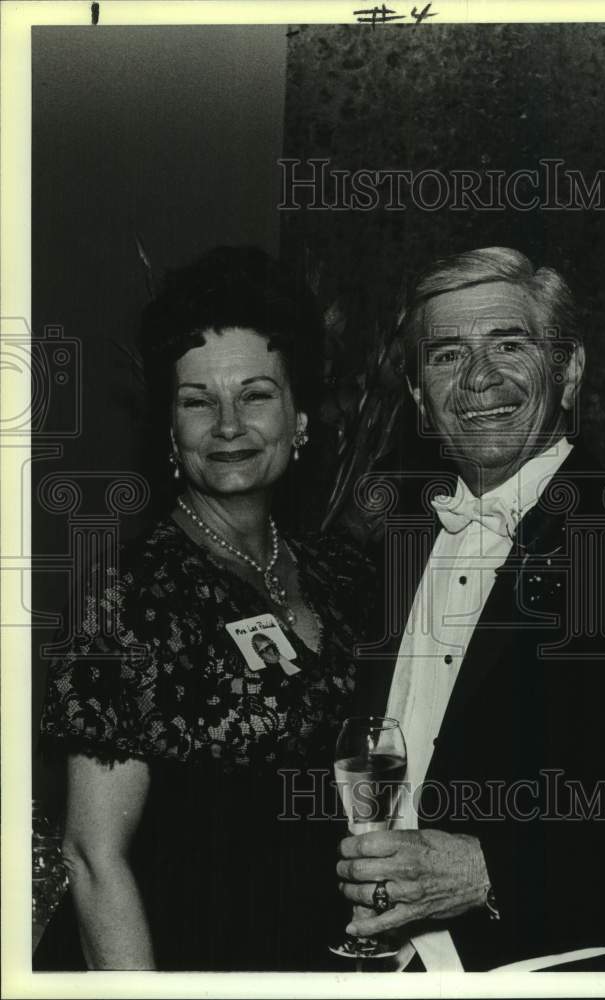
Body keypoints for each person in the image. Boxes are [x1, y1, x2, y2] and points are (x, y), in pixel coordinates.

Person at [338, 247, 605, 971]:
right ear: (415, 396)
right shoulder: (390, 552)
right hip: (386, 971)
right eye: (445, 355)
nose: (479, 379)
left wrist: (493, 870)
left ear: (567, 372)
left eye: (509, 344)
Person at [35, 246, 371, 971]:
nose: (227, 425)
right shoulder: (128, 597)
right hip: (175, 955)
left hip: (322, 956)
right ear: (169, 428)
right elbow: (94, 857)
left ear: (300, 415)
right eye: (196, 401)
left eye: (254, 395)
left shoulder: (345, 573)